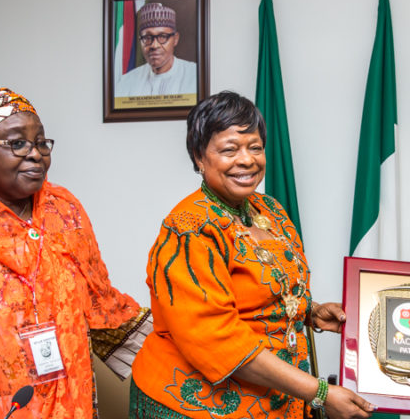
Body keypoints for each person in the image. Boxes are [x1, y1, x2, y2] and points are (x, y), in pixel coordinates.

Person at [0, 85, 152, 418]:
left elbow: (100, 305)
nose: (35, 154)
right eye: (17, 143)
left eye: (41, 142)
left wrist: (185, 349)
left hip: (68, 403)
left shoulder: (63, 211)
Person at [130, 91, 376, 419]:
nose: (247, 160)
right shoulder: (190, 230)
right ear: (199, 157)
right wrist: (318, 393)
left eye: (255, 147)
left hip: (273, 400)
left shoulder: (268, 209)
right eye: (229, 149)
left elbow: (263, 294)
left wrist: (310, 312)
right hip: (193, 407)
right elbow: (218, 340)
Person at [115, 2, 198, 97]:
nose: (154, 45)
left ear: (175, 39)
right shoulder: (126, 82)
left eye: (162, 36)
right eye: (147, 37)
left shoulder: (195, 75)